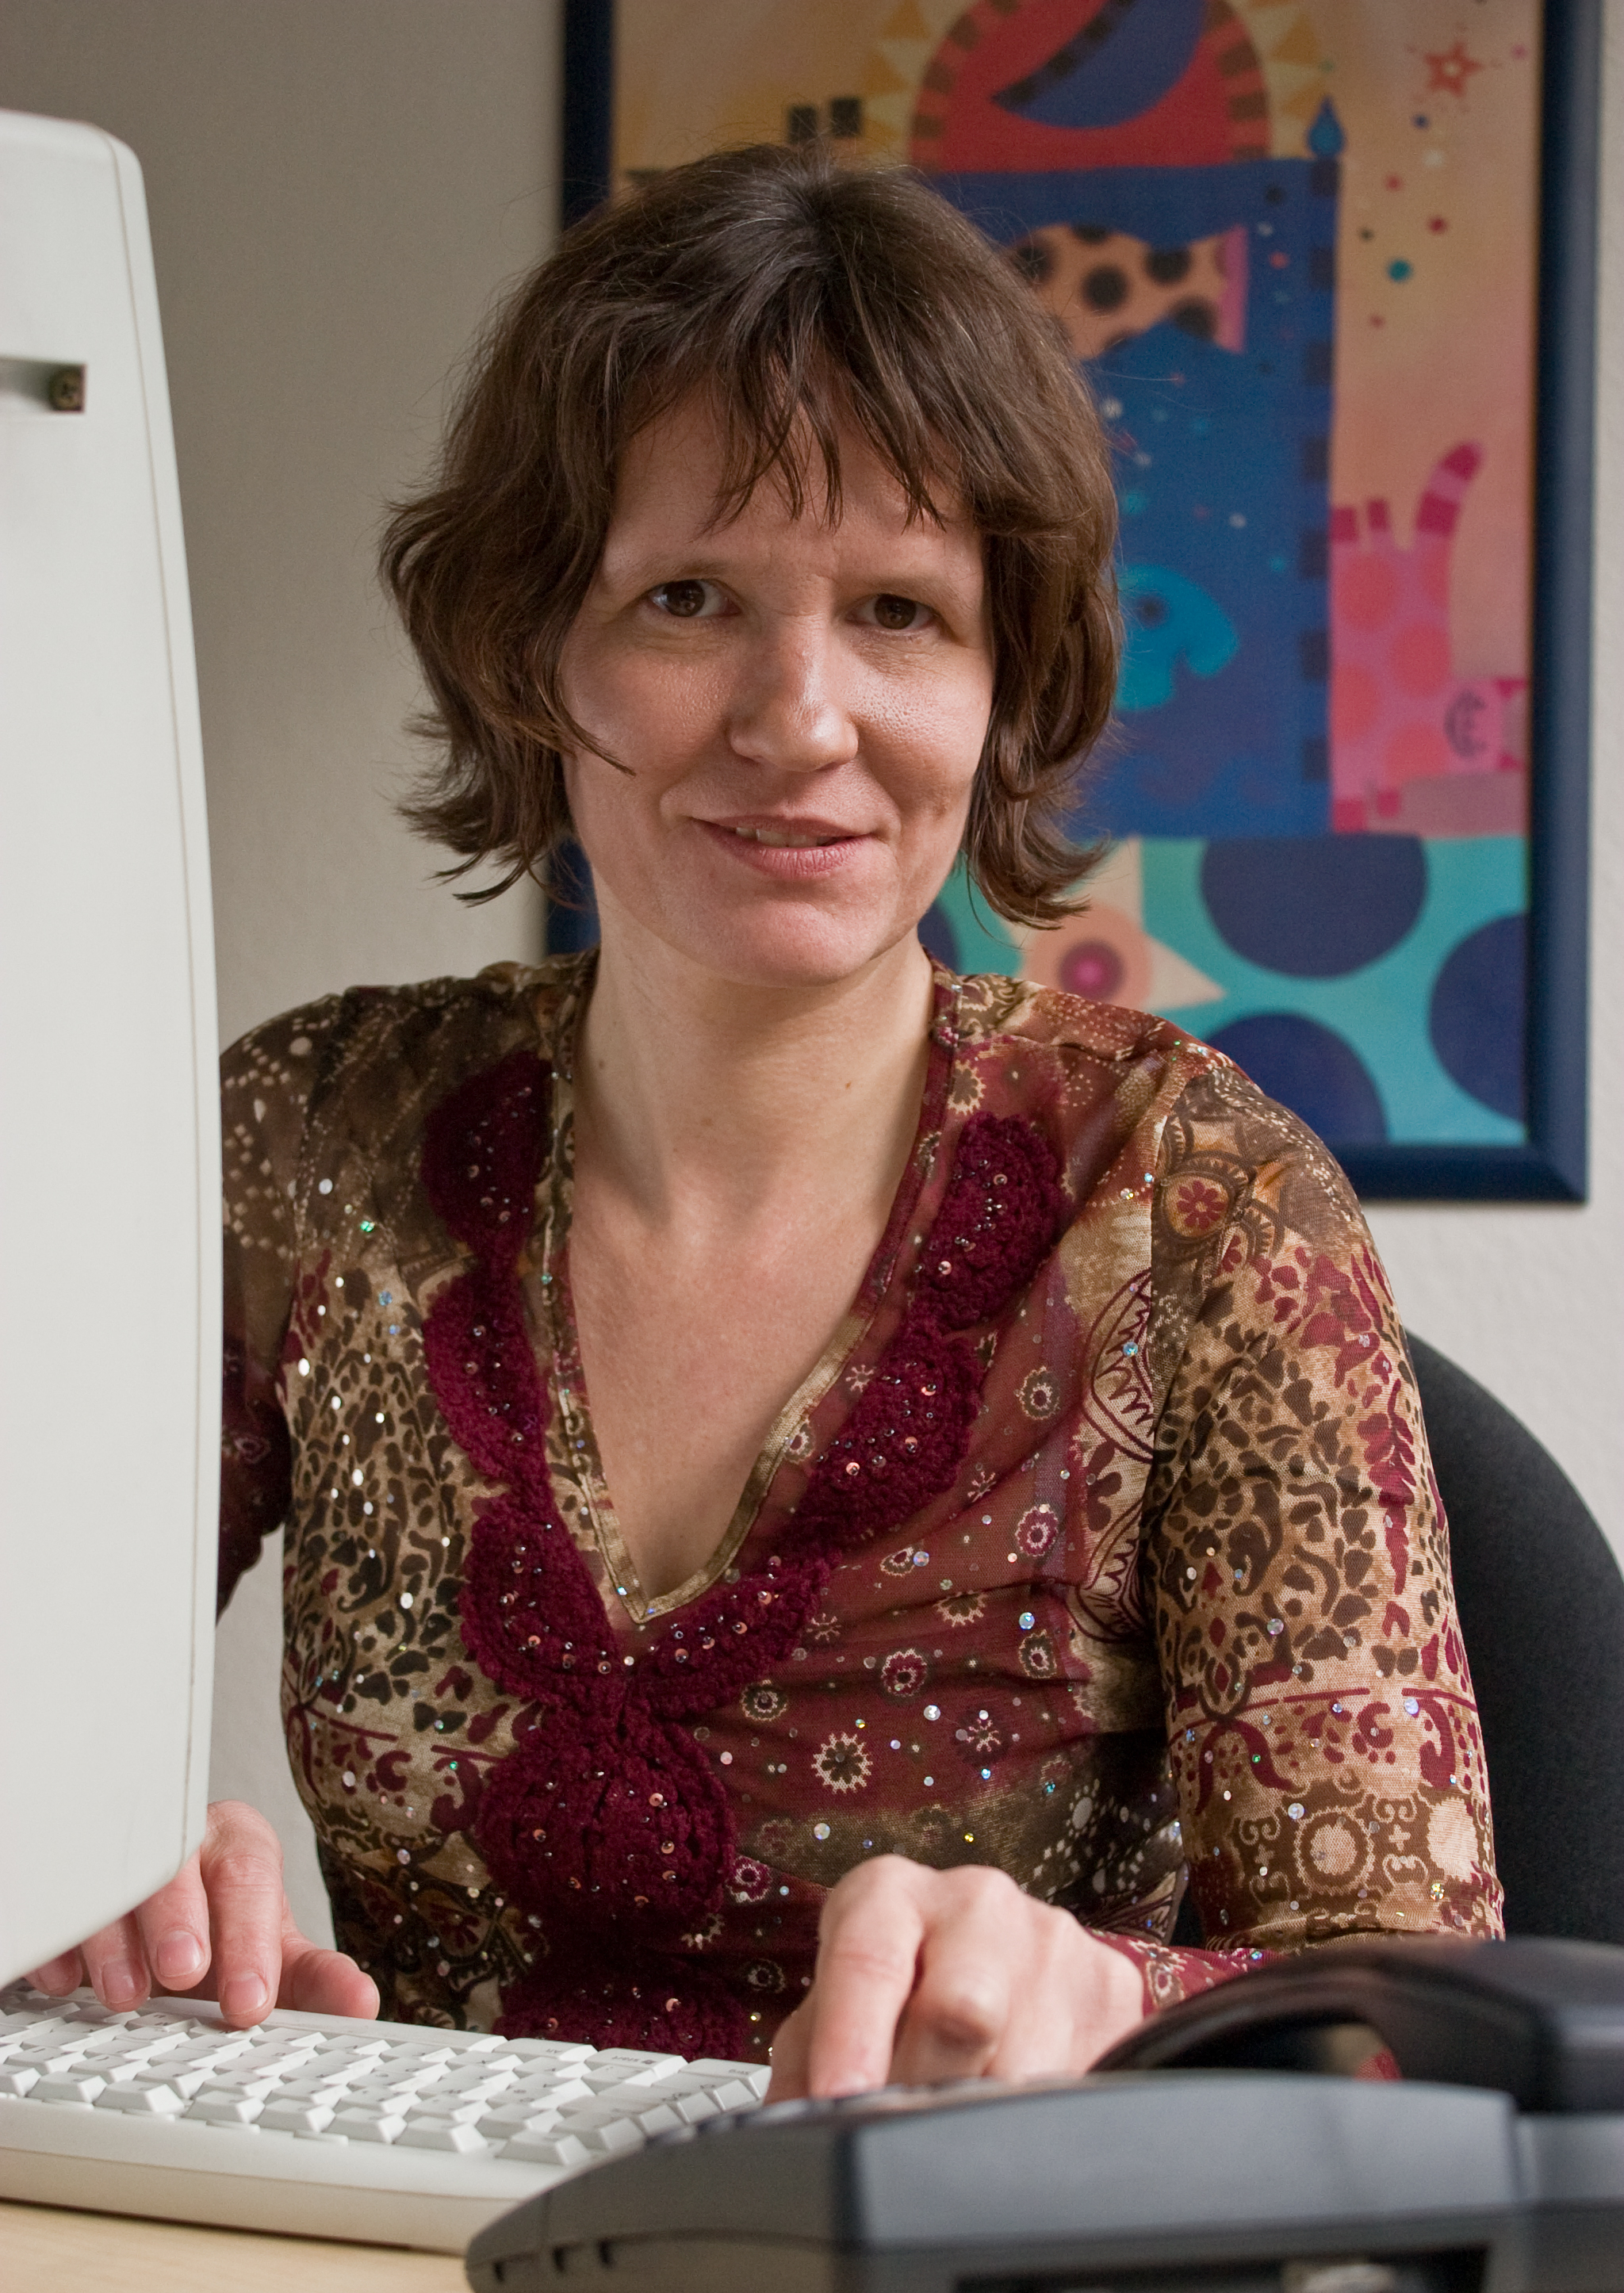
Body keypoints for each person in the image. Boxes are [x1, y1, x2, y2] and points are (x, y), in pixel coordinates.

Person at [30, 146, 1500, 2097]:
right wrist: (72, 1866)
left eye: (899, 610)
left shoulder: (1198, 1203)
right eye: (688, 598)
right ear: (532, 650)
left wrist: (1120, 2009)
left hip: (957, 2256)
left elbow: (1417, 2024)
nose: (798, 718)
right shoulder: (300, 1141)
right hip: (399, 2254)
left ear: (1002, 680)